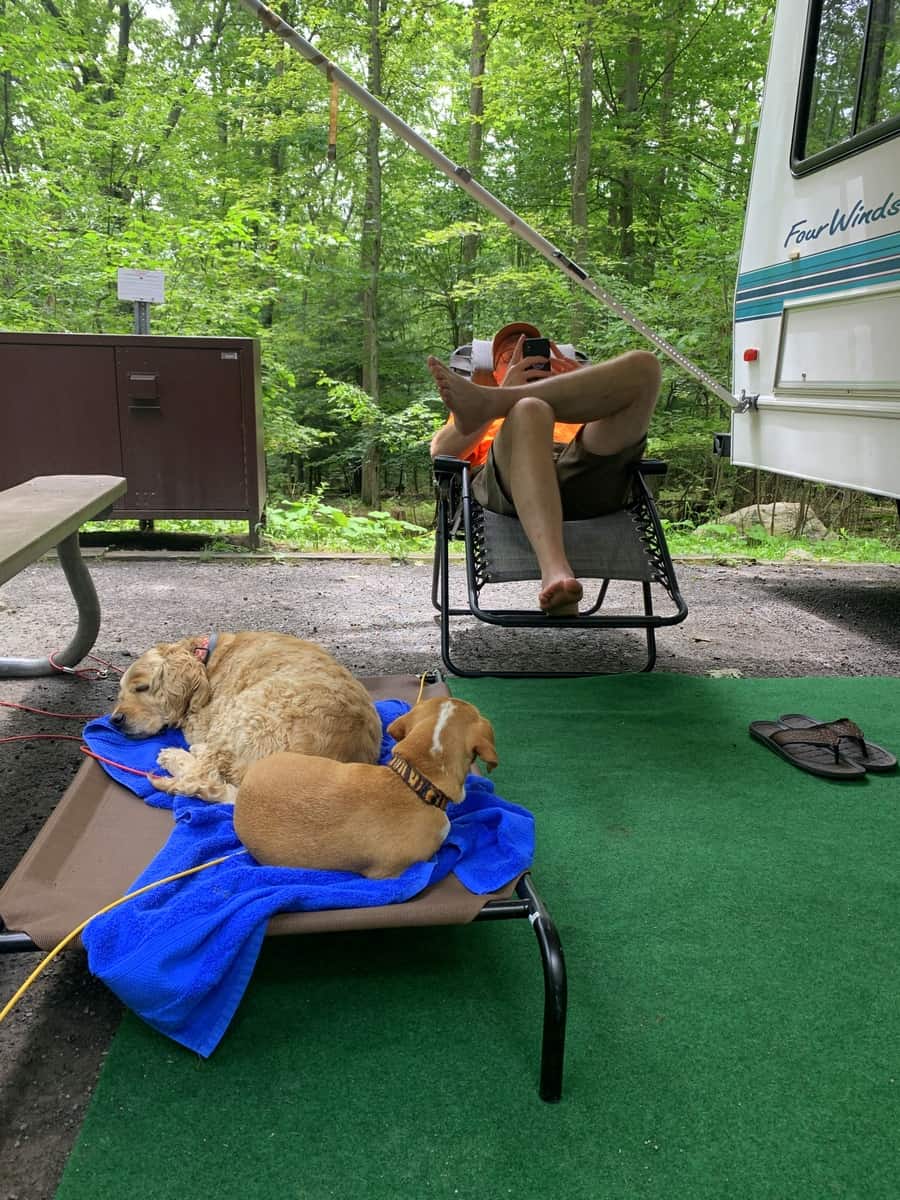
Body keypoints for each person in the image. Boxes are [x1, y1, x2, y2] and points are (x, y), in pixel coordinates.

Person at [428, 322, 661, 616]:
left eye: (530, 354)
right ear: (496, 372)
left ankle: (500, 402)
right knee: (529, 408)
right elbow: (441, 453)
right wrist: (507, 395)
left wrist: (590, 392)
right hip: (509, 483)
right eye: (508, 357)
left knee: (645, 366)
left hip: (580, 473)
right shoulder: (472, 407)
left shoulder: (575, 403)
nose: (520, 359)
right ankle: (555, 572)